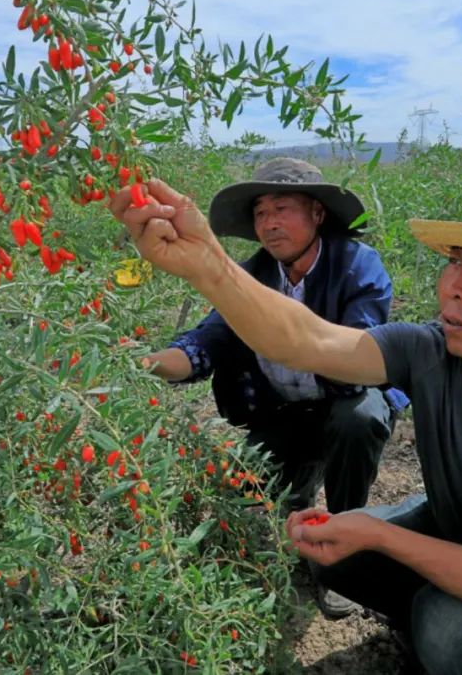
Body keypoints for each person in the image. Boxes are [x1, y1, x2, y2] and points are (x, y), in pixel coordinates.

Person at [111, 172, 462, 674]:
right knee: (329, 548)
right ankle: (444, 621)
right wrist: (206, 262)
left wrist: (381, 533)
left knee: (450, 626)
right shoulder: (431, 353)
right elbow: (307, 338)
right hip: (458, 535)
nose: (453, 286)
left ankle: (461, 635)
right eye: (456, 262)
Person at [143, 158, 407, 519]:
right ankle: (297, 499)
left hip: (345, 399)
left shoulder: (356, 265)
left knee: (357, 420)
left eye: (281, 208)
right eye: (261, 213)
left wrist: (290, 340)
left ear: (317, 213)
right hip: (283, 411)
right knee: (244, 484)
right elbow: (207, 342)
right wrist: (143, 364)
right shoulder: (252, 276)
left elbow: (356, 358)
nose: (269, 223)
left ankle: (347, 527)